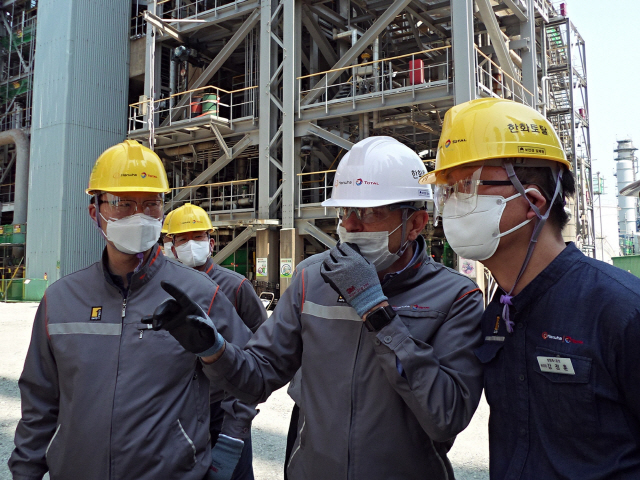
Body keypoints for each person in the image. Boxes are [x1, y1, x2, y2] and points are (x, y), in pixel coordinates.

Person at [147, 136, 485, 480]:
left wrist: (377, 312)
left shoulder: (456, 297)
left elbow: (446, 417)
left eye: (369, 212)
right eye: (344, 211)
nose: (350, 225)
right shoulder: (312, 278)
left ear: (415, 223)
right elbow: (258, 376)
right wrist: (214, 349)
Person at [420, 98, 640, 479]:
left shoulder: (620, 310)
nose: (451, 206)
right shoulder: (498, 316)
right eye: (448, 191)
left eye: (466, 187)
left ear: (532, 202)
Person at [9, 140, 254, 480]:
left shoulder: (200, 294)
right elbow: (40, 403)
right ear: (95, 211)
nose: (139, 215)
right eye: (123, 203)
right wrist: (25, 472)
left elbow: (251, 377)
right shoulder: (61, 300)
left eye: (151, 203)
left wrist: (228, 445)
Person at [167, 202, 267, 480]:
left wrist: (238, 425)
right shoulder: (164, 288)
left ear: (211, 243)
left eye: (198, 237)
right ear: (171, 247)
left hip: (223, 410)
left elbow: (263, 357)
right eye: (182, 239)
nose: (191, 244)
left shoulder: (236, 287)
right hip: (179, 411)